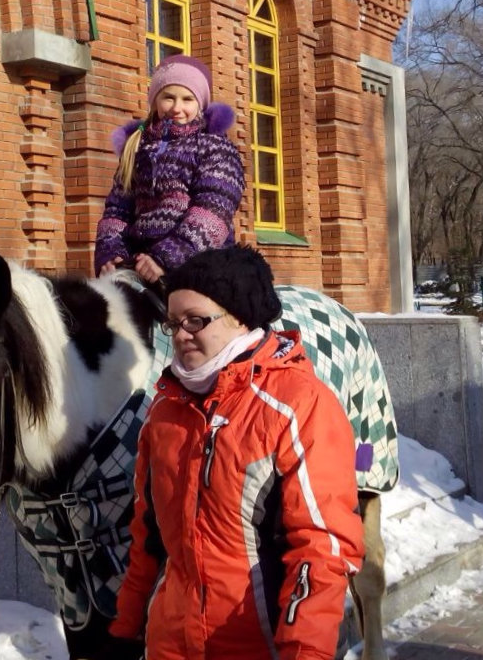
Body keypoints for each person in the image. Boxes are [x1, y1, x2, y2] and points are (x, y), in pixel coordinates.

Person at [106, 245, 365, 660]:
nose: (181, 334)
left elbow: (321, 548)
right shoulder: (165, 411)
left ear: (241, 318)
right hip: (171, 644)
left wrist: (306, 652)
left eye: (196, 320)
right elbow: (149, 534)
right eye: (173, 323)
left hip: (258, 644)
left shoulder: (298, 405)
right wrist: (127, 626)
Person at [94, 55, 244, 284]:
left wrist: (167, 257)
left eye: (187, 99)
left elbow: (213, 211)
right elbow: (117, 210)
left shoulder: (214, 147)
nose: (177, 108)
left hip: (201, 262)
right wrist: (111, 253)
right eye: (168, 98)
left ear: (200, 104)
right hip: (141, 261)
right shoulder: (137, 148)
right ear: (155, 101)